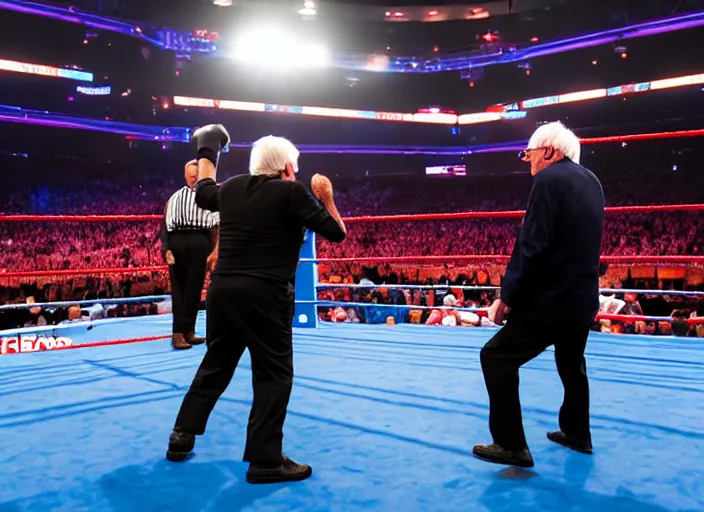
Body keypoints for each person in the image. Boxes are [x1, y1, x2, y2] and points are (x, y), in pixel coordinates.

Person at [166, 125, 347, 484]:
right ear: (286, 168)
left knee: (216, 363)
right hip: (266, 295)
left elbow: (202, 191)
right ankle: (265, 460)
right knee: (273, 374)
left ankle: (182, 434)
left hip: (224, 292)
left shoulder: (232, 187)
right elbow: (337, 232)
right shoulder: (291, 192)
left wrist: (208, 148)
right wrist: (326, 196)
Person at [472, 121, 604, 468]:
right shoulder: (592, 181)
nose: (527, 159)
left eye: (529, 152)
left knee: (496, 357)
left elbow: (533, 244)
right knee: (572, 364)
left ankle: (511, 444)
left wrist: (507, 296)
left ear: (549, 150)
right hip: (583, 298)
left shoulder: (549, 180)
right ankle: (578, 434)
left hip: (554, 300)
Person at [161, 160, 219, 350]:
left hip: (202, 239)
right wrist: (166, 249)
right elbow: (165, 225)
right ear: (185, 175)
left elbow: (217, 225)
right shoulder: (174, 197)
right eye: (191, 175)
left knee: (194, 289)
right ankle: (177, 333)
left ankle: (189, 332)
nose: (194, 178)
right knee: (179, 289)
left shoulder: (209, 196)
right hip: (178, 240)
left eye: (197, 175)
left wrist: (214, 250)